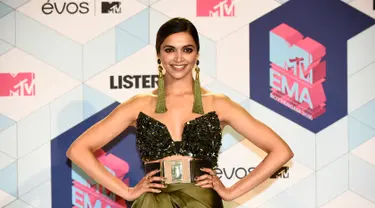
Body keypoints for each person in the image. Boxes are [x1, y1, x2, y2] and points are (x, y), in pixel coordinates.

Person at [66, 17, 294, 208]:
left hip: (201, 201)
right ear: (159, 54)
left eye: (187, 49)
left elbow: (281, 151)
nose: (178, 58)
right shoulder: (139, 105)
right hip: (152, 202)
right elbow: (78, 150)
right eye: (169, 49)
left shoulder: (218, 104)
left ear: (197, 54)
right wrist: (126, 191)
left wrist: (231, 192)